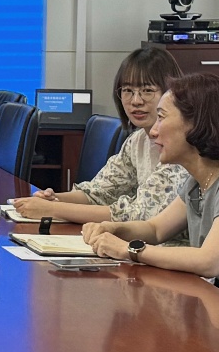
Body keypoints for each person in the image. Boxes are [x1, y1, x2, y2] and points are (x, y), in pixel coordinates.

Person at [82, 73, 219, 324]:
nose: (153, 131)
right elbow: (156, 229)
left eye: (161, 117)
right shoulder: (201, 177)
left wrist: (128, 250)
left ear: (196, 125)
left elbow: (210, 261)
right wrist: (115, 229)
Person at [12, 47, 189, 232]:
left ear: (170, 94)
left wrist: (53, 210)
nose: (136, 100)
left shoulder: (180, 146)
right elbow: (100, 192)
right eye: (128, 90)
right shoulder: (137, 140)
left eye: (147, 90)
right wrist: (54, 199)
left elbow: (140, 214)